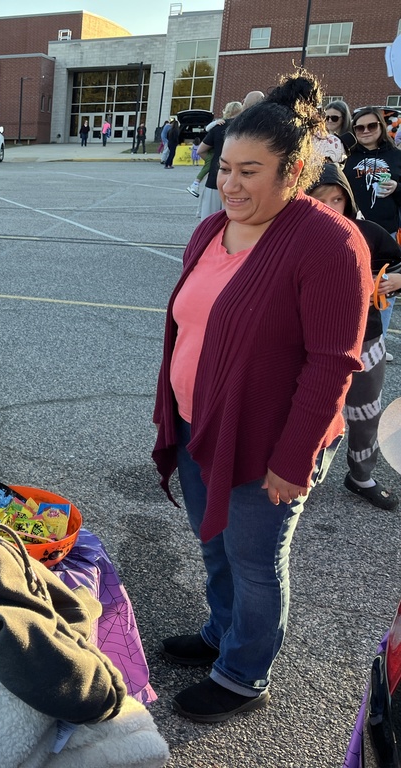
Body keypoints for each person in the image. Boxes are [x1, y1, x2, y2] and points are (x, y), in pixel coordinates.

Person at [152, 71, 371, 724]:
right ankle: (222, 633)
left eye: (251, 171)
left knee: (253, 560)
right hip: (203, 424)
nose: (232, 184)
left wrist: (292, 459)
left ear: (294, 170)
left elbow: (333, 364)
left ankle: (245, 673)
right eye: (225, 168)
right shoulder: (212, 231)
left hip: (272, 440)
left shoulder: (329, 244)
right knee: (212, 541)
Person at [308, 162, 401, 510]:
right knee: (312, 409)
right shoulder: (293, 238)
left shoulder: (368, 232)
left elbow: (396, 263)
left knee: (364, 412)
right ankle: (305, 470)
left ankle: (361, 474)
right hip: (314, 344)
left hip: (366, 339)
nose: (331, 207)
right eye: (320, 200)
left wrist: (396, 280)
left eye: (337, 199)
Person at [344, 107, 401, 340]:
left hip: (386, 231)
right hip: (353, 230)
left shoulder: (396, 156)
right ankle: (354, 336)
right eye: (360, 127)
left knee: (384, 288)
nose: (366, 131)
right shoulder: (348, 157)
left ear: (380, 126)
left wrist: (398, 187)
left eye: (372, 126)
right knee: (353, 287)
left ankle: (380, 339)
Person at [195, 101, 244, 216]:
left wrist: (211, 161)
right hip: (237, 179)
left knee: (209, 219)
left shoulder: (218, 126)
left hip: (215, 177)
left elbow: (200, 150)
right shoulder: (244, 126)